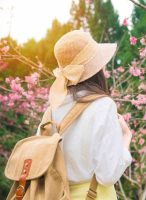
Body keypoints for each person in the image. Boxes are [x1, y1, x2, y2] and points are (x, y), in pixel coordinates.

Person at [35, 30, 133, 200]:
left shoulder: (51, 111)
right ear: (96, 69)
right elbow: (108, 175)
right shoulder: (103, 106)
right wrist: (126, 138)